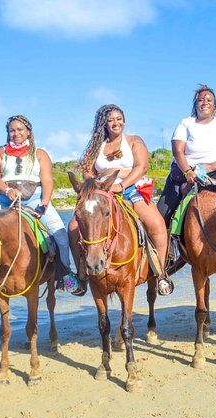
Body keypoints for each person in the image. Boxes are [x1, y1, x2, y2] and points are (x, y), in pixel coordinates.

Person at [69, 104, 174, 296]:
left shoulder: (134, 141)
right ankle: (81, 276)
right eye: (111, 120)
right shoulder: (96, 145)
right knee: (73, 228)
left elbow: (141, 167)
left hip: (131, 188)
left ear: (124, 121)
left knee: (157, 224)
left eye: (119, 119)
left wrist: (122, 185)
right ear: (104, 124)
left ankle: (160, 274)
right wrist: (97, 185)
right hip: (102, 191)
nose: (116, 123)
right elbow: (87, 171)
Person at [0, 114, 80, 293]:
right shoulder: (0, 152)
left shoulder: (40, 154)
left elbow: (48, 180)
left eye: (20, 129)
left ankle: (65, 274)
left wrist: (45, 202)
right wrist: (7, 190)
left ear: (28, 132)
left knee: (61, 237)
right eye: (12, 130)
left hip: (35, 198)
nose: (16, 133)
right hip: (5, 199)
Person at [157, 84, 216, 227]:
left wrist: (210, 167)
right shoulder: (185, 123)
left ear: (215, 106)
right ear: (195, 104)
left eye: (209, 100)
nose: (205, 103)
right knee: (160, 216)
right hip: (185, 171)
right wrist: (188, 171)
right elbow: (178, 151)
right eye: (201, 100)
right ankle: (159, 244)